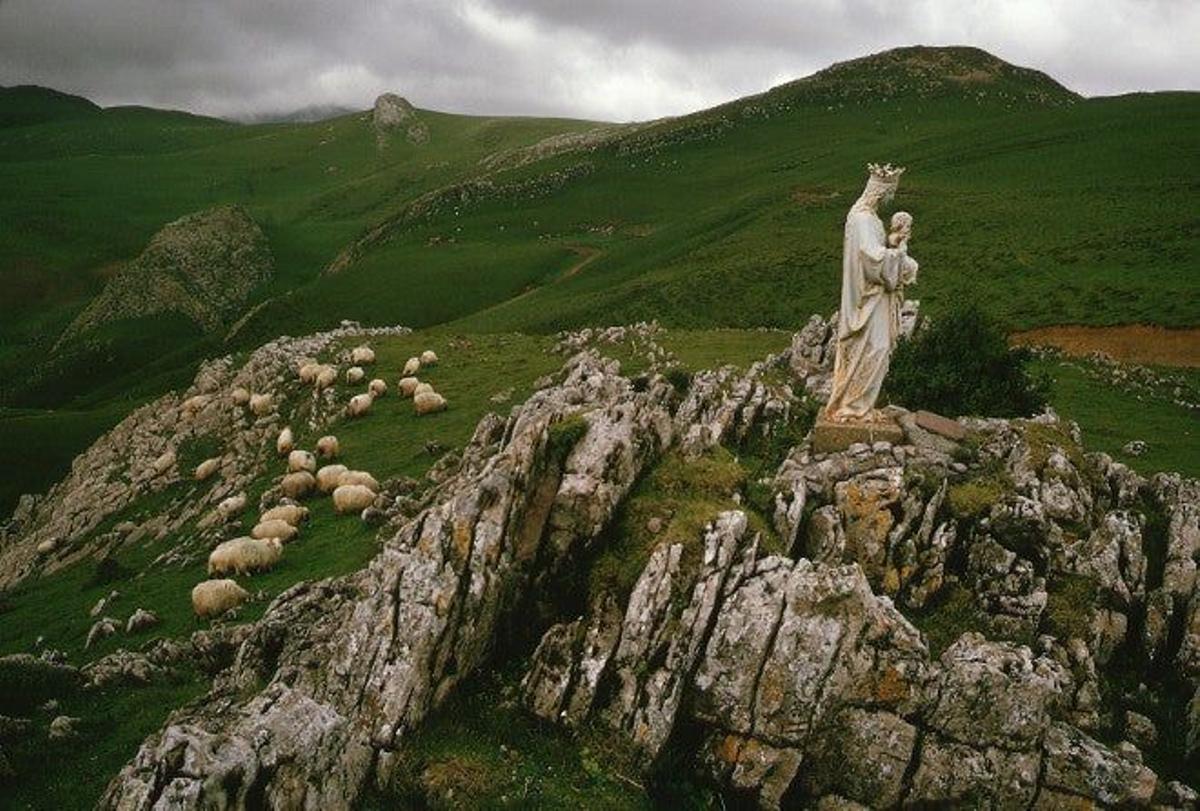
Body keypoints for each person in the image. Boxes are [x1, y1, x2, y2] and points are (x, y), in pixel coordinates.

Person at [825, 163, 919, 422]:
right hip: (869, 299)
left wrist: (893, 245)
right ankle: (853, 406)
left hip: (875, 297)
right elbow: (871, 259)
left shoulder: (869, 217)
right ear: (878, 192)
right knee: (876, 348)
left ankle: (860, 404)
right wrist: (900, 261)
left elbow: (876, 251)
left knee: (878, 348)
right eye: (887, 194)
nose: (888, 199)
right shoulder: (863, 219)